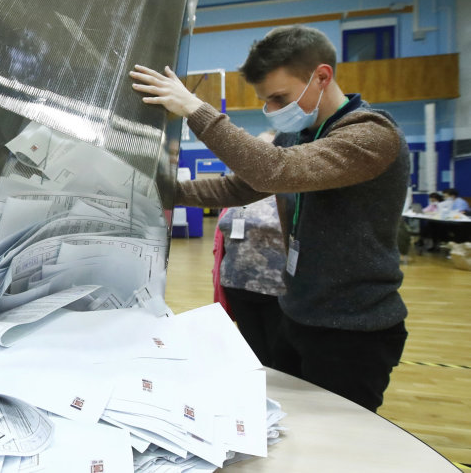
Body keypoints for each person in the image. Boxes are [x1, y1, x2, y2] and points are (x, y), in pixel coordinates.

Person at [131, 24, 409, 412]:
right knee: (287, 427)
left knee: (337, 444)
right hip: (297, 314)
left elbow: (272, 171)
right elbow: (238, 189)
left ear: (322, 76)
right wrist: (159, 191)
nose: (274, 112)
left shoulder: (370, 135)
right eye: (267, 102)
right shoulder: (300, 138)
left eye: (280, 98)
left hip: (352, 330)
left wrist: (195, 108)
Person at [214, 194, 287, 367]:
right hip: (236, 286)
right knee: (254, 352)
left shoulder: (287, 194)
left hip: (276, 290)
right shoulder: (236, 193)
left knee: (278, 355)